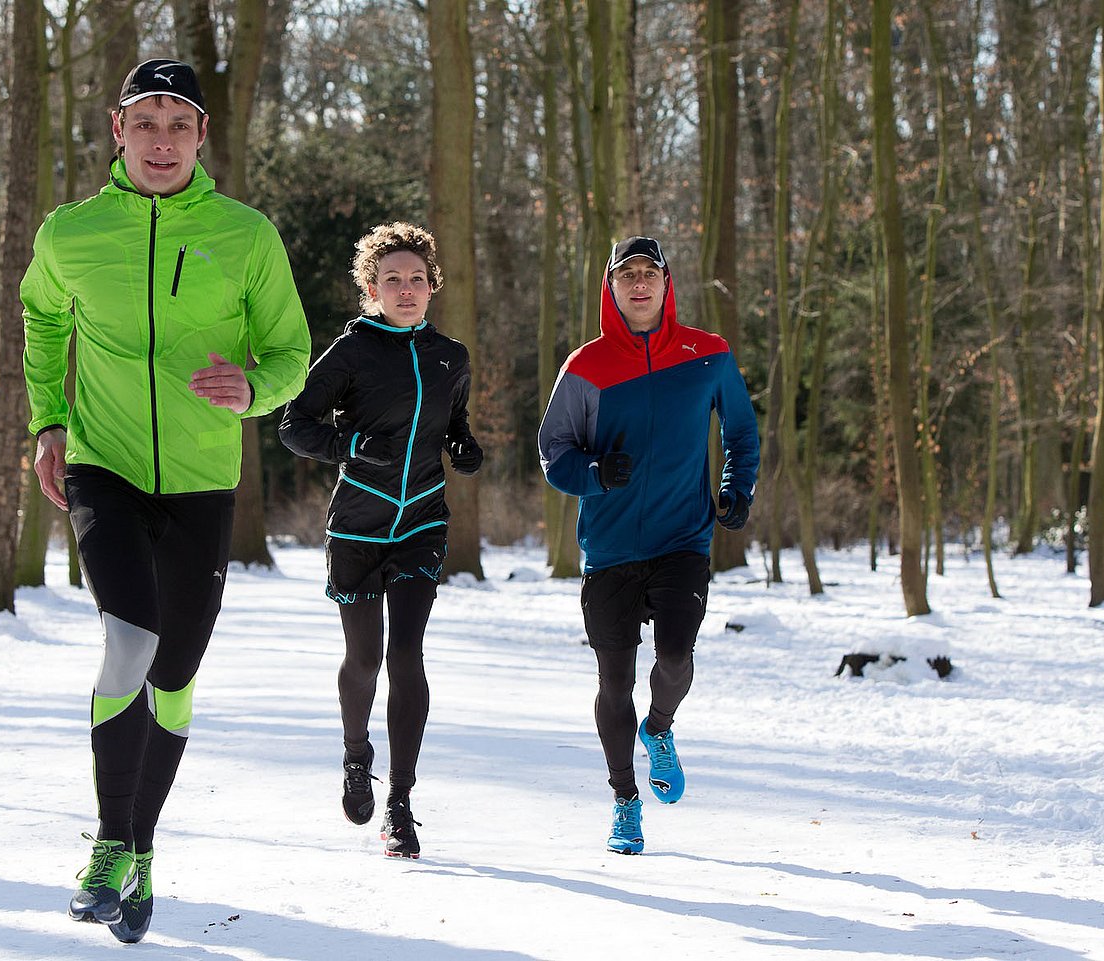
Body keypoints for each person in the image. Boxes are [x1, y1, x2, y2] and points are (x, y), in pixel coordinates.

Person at [21, 58, 311, 940]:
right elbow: (41, 314)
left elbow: (292, 355)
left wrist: (252, 389)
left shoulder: (246, 234)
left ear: (201, 137)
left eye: (176, 123)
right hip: (102, 466)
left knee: (174, 676)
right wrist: (49, 420)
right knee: (128, 640)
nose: (159, 140)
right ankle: (111, 844)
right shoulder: (70, 233)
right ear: (117, 130)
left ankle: (142, 848)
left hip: (201, 481)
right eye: (143, 122)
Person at [537, 236, 758, 855]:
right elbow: (554, 453)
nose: (639, 284)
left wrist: (736, 490)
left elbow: (740, 429)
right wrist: (596, 474)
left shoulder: (708, 355)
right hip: (608, 548)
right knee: (614, 679)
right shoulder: (585, 366)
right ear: (610, 286)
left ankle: (658, 727)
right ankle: (624, 800)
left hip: (682, 537)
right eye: (626, 274)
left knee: (677, 654)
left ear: (667, 283)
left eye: (649, 274)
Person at [278, 222, 483, 859]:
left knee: (408, 659)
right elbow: (294, 425)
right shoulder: (351, 351)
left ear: (432, 288)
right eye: (392, 279)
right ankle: (355, 756)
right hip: (358, 527)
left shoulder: (451, 356)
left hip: (422, 520)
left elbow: (453, 422)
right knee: (365, 659)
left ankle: (401, 803)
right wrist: (350, 446)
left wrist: (464, 446)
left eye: (417, 279)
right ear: (371, 289)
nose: (406, 289)